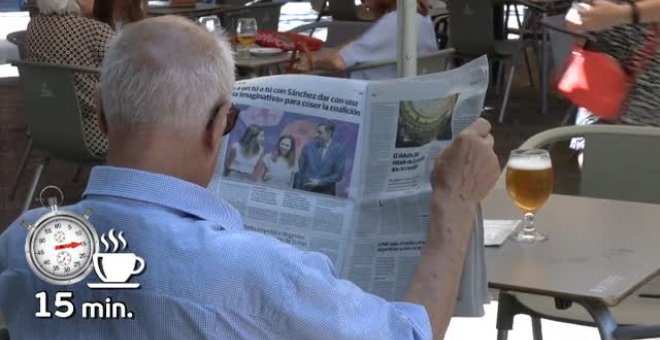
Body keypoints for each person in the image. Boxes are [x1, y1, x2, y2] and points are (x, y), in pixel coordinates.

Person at [0, 16, 500, 339]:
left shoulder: (23, 241)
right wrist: (453, 205)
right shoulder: (256, 273)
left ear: (103, 114)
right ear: (219, 124)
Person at [25, 0, 115, 156]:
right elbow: (132, 67)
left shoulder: (33, 26)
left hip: (47, 130)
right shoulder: (95, 31)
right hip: (95, 134)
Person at [566, 0, 660, 127]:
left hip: (648, 83)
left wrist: (622, 14)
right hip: (599, 70)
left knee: (637, 137)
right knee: (593, 135)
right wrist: (580, 15)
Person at [293, 0, 438, 80]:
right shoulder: (420, 18)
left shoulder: (395, 22)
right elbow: (358, 46)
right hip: (403, 94)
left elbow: (337, 62)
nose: (363, 3)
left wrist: (312, 59)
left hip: (371, 101)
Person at [293, 121, 346, 196]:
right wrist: (296, 191)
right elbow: (299, 170)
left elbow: (338, 175)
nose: (316, 135)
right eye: (317, 132)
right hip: (305, 191)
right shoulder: (308, 147)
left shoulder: (338, 150)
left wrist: (320, 182)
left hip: (325, 193)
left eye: (320, 132)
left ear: (329, 133)